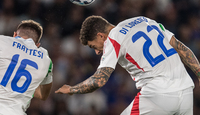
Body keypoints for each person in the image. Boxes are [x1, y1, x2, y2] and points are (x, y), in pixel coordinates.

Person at [56, 15, 200, 115]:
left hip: (158, 95)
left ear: (101, 35)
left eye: (94, 46)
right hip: (186, 91)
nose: (97, 52)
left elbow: (99, 80)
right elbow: (181, 47)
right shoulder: (144, 20)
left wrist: (71, 89)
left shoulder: (113, 37)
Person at [0, 20, 53, 115]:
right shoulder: (46, 60)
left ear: (15, 35)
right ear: (37, 45)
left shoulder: (2, 41)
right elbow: (43, 95)